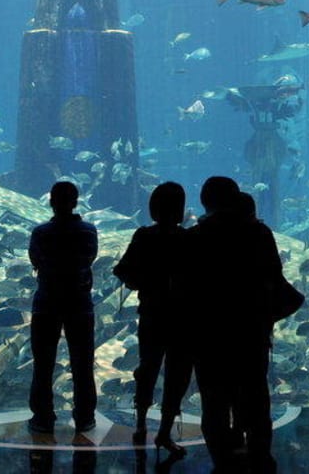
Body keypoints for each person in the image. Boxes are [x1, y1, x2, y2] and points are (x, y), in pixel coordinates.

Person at [182, 176, 281, 474]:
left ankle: (222, 463)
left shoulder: (195, 237)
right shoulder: (260, 233)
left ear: (205, 202)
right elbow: (273, 279)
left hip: (209, 334)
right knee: (255, 396)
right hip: (251, 330)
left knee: (214, 401)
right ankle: (261, 458)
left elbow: (185, 288)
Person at [113, 182, 192, 457]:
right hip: (182, 319)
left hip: (152, 315)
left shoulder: (144, 236)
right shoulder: (187, 238)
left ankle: (141, 426)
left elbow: (122, 270)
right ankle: (164, 433)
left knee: (147, 369)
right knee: (177, 376)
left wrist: (144, 281)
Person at [27, 181, 98, 434]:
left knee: (43, 363)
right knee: (83, 362)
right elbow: (90, 258)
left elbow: (35, 261)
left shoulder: (41, 233)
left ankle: (43, 417)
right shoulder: (89, 231)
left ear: (51, 202)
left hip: (46, 303)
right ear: (76, 201)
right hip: (80, 304)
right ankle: (85, 417)